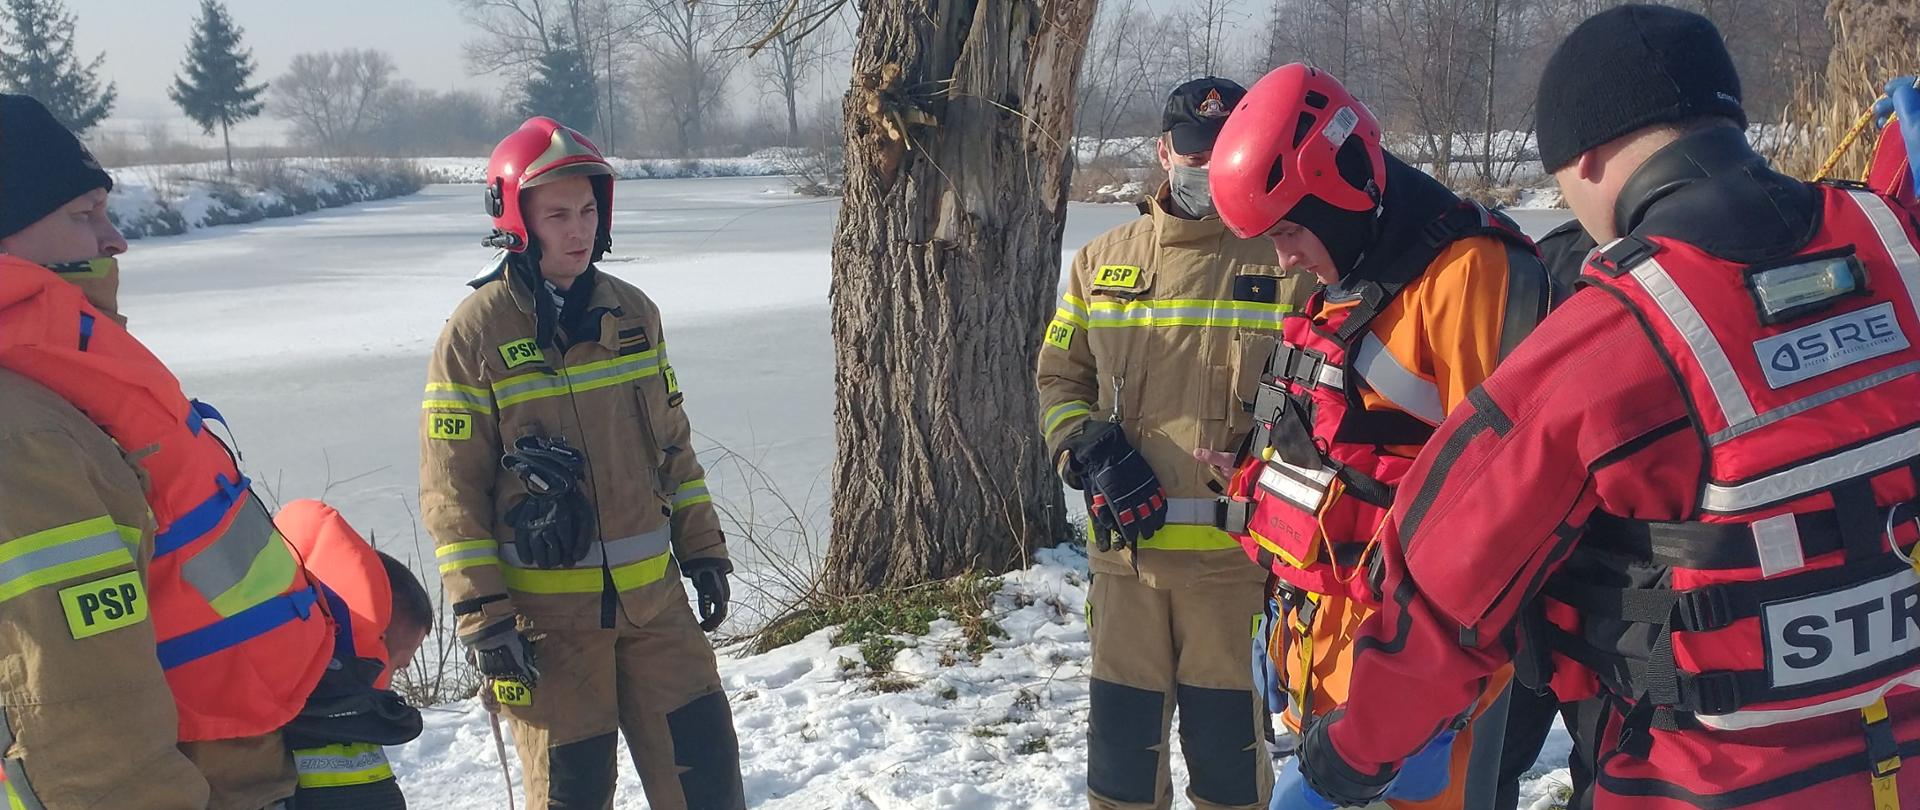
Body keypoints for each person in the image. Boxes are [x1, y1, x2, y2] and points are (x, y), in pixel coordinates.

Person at [1269, 7, 1920, 809]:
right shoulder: (1901, 244)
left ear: (1584, 156)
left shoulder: (1609, 338)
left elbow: (1442, 589)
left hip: (1707, 786)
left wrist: (1347, 756)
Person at [1205, 63, 1555, 809]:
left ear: (1343, 189)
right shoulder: (1348, 274)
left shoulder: (1469, 277)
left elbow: (1503, 511)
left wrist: (1419, 710)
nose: (1285, 258)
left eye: (1291, 231)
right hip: (1317, 666)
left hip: (1406, 699)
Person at [0, 93, 334, 810]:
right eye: (83, 215)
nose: (114, 238)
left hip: (238, 750)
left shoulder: (68, 381)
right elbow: (87, 720)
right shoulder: (21, 435)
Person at [420, 116, 745, 810]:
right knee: (573, 797)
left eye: (589, 210)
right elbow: (453, 490)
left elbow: (674, 451)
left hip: (658, 612)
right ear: (517, 221)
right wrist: (484, 616)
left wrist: (704, 551)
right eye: (559, 214)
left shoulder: (634, 315)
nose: (579, 230)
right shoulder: (474, 334)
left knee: (709, 785)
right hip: (550, 630)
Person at [1037, 76, 1314, 810]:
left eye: (1224, 152)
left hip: (1234, 575)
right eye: (1194, 152)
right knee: (1121, 773)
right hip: (1125, 570)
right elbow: (1059, 378)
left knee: (1231, 776)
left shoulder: (1287, 264)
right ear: (1164, 152)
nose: (1206, 167)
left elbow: (1327, 409)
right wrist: (1086, 448)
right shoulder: (1102, 261)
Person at [276, 499, 433, 810]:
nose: (396, 676)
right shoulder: (339, 730)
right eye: (398, 664)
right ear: (376, 640)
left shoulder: (275, 688)